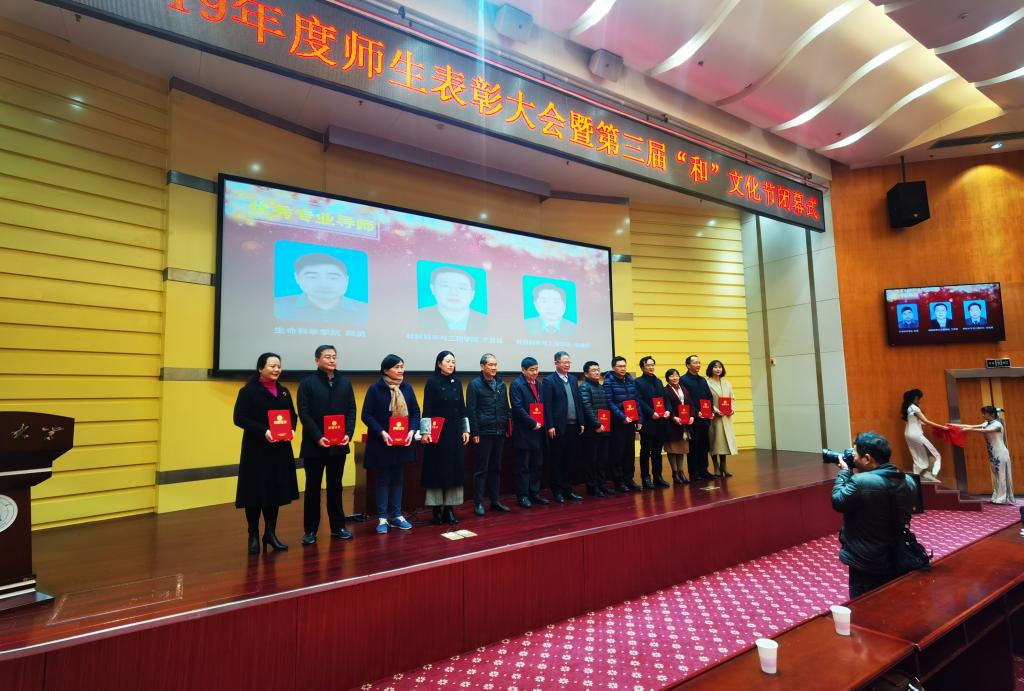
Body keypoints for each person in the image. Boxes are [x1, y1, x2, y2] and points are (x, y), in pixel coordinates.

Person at [831, 432, 916, 598]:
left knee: (863, 604)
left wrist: (845, 472)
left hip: (865, 559)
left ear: (867, 459)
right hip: (896, 554)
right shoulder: (907, 480)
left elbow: (838, 501)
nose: (852, 457)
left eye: (855, 454)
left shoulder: (861, 482)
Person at [233, 352, 299, 554]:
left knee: (274, 493)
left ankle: (270, 533)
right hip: (257, 450)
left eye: (279, 366)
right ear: (261, 368)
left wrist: (292, 429)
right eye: (272, 366)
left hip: (279, 450)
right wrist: (264, 431)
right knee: (254, 493)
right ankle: (253, 534)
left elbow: (292, 415)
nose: (277, 369)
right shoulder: (248, 391)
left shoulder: (284, 392)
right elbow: (239, 418)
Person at [297, 345, 356, 545]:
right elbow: (304, 413)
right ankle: (310, 530)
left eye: (334, 357)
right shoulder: (307, 383)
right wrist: (318, 436)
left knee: (335, 487)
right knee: (313, 489)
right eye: (327, 357)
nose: (332, 360)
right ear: (317, 360)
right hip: (315, 445)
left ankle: (338, 527)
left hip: (338, 445)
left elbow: (351, 410)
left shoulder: (345, 382)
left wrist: (348, 433)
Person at [361, 354, 421, 533]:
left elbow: (416, 412)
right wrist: (382, 432)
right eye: (397, 367)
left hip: (403, 441)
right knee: (383, 479)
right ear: (386, 370)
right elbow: (366, 415)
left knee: (398, 478)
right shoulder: (375, 389)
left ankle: (396, 515)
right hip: (383, 442)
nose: (401, 370)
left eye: (402, 366)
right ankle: (382, 518)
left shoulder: (407, 388)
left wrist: (412, 431)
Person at [421, 350, 470, 525]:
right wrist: (425, 432)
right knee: (437, 469)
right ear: (439, 364)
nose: (451, 364)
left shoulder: (457, 382)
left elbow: (462, 407)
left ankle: (449, 508)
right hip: (437, 433)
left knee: (453, 469)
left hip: (455, 432)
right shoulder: (432, 382)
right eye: (448, 361)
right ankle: (436, 509)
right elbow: (426, 408)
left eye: (453, 362)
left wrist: (466, 430)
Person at [466, 353, 512, 516]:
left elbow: (505, 407)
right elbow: (471, 410)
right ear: (482, 366)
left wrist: (507, 426)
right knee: (481, 470)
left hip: (499, 431)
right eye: (490, 365)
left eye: (495, 365)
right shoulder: (474, 385)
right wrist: (475, 432)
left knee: (496, 468)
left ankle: (495, 501)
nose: (494, 368)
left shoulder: (501, 384)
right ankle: (478, 503)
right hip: (483, 432)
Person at [274, 253, 368, 323]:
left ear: (346, 280)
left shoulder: (366, 310)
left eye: (333, 278)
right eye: (312, 277)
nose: (324, 284)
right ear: (297, 278)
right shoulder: (278, 306)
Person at [542, 351, 585, 503]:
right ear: (556, 363)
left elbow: (578, 401)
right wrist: (550, 425)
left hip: (573, 426)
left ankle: (568, 490)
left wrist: (581, 421)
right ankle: (557, 491)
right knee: (557, 460)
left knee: (570, 459)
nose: (567, 365)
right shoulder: (549, 381)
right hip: (558, 427)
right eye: (564, 362)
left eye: (569, 362)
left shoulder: (572, 379)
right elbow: (547, 405)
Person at [955, 407, 1015, 505]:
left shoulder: (997, 425)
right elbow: (971, 426)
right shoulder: (986, 423)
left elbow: (985, 431)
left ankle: (1003, 498)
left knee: (1001, 475)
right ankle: (996, 496)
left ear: (992, 414)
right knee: (996, 476)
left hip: (1001, 453)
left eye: (985, 413)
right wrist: (954, 425)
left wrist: (968, 429)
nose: (983, 415)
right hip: (993, 453)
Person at [509, 357, 548, 507]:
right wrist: (533, 423)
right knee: (523, 466)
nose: (535, 372)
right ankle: (523, 496)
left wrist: (541, 423)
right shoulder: (516, 385)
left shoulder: (539, 384)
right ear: (523, 370)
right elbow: (517, 408)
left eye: (536, 369)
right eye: (532, 370)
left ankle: (534, 493)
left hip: (538, 431)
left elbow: (542, 405)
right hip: (524, 431)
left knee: (537, 464)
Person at [603, 355, 642, 492]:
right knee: (618, 453)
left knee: (629, 452)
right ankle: (618, 481)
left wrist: (639, 419)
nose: (623, 368)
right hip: (617, 423)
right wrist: (622, 417)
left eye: (624, 366)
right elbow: (609, 402)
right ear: (614, 367)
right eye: (619, 366)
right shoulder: (608, 382)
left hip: (631, 422)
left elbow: (636, 400)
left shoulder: (630, 380)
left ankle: (629, 479)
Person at [635, 356, 670, 489]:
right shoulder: (638, 382)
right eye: (648, 365)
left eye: (652, 365)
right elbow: (639, 400)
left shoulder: (658, 381)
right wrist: (651, 413)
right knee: (645, 451)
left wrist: (668, 410)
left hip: (661, 421)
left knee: (657, 451)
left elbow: (665, 399)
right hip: (648, 421)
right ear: (642, 367)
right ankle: (645, 478)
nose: (651, 367)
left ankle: (658, 476)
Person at [419, 266, 488, 332]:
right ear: (433, 289)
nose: (453, 293)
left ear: (472, 294)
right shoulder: (417, 316)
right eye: (445, 286)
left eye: (462, 288)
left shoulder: (487, 321)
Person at [579, 360, 612, 496]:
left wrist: (604, 424)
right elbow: (587, 407)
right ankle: (592, 487)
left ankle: (602, 484)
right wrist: (597, 424)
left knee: (602, 459)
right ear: (586, 374)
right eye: (593, 370)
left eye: (598, 370)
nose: (597, 372)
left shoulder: (601, 386)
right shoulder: (584, 387)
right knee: (592, 460)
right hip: (592, 430)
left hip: (604, 428)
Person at [681, 355, 714, 482]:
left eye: (699, 362)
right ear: (688, 365)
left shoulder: (702, 380)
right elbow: (686, 400)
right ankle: (694, 472)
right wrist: (696, 412)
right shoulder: (683, 380)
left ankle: (704, 470)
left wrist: (710, 411)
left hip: (705, 418)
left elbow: (709, 397)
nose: (698, 365)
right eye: (695, 363)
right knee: (694, 446)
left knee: (704, 445)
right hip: (693, 418)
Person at [900, 389, 946, 481]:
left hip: (908, 434)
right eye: (919, 398)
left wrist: (937, 426)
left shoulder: (908, 408)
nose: (919, 400)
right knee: (936, 455)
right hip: (916, 434)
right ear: (915, 397)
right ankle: (931, 475)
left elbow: (921, 422)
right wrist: (942, 427)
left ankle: (918, 478)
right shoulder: (914, 408)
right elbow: (926, 421)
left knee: (917, 457)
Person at [707, 359, 737, 478]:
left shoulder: (727, 383)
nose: (718, 369)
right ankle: (716, 466)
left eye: (720, 367)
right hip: (715, 417)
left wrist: (732, 409)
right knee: (715, 441)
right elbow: (707, 400)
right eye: (715, 367)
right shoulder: (707, 383)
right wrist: (715, 410)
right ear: (711, 369)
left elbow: (732, 398)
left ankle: (724, 465)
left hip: (726, 417)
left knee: (724, 442)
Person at [663, 368, 694, 484]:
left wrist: (692, 416)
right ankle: (675, 473)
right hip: (672, 424)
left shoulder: (684, 389)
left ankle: (681, 472)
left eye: (676, 375)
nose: (675, 378)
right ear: (667, 378)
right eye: (671, 376)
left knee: (682, 449)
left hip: (684, 424)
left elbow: (691, 404)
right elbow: (666, 406)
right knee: (672, 449)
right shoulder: (665, 390)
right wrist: (673, 417)